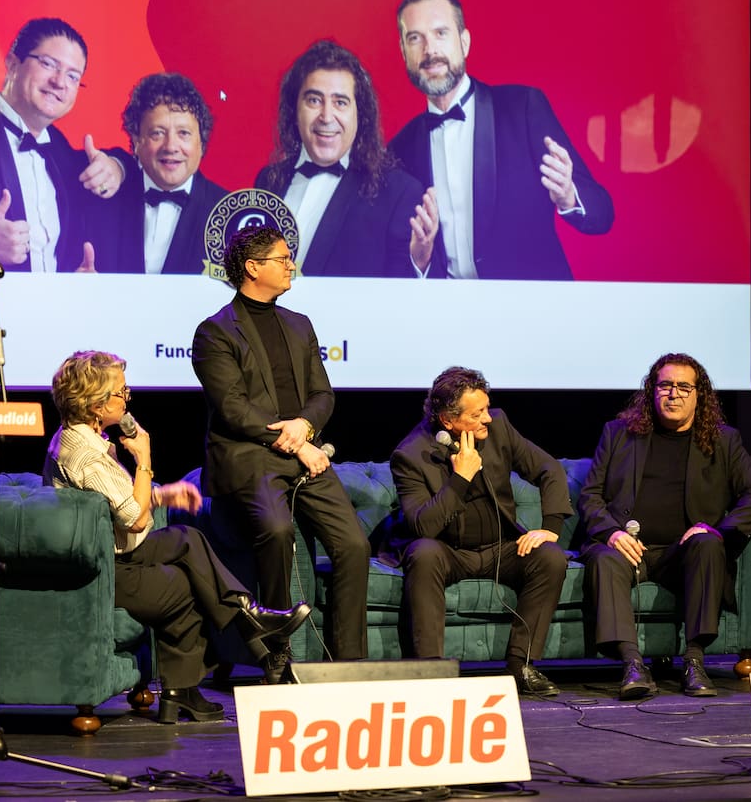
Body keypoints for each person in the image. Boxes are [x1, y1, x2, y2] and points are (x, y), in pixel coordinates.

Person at [42, 350, 311, 722]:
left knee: (188, 538)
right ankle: (193, 678)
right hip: (105, 570)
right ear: (95, 404)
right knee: (188, 584)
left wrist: (162, 494)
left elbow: (111, 504)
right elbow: (134, 520)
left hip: (115, 551)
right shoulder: (86, 455)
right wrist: (144, 461)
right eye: (122, 393)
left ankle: (244, 626)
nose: (127, 399)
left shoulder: (81, 438)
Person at [191, 225, 370, 683]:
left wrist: (306, 426)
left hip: (303, 452)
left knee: (354, 544)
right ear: (253, 268)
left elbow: (322, 394)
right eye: (282, 257)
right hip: (251, 456)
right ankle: (276, 648)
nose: (292, 264)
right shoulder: (214, 332)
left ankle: (350, 661)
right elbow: (233, 410)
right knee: (275, 528)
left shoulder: (299, 324)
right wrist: (296, 439)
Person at [577, 353, 751, 700]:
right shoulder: (619, 434)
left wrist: (718, 531)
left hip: (679, 556)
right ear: (652, 391)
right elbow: (590, 495)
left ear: (700, 394)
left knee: (709, 544)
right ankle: (632, 664)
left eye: (684, 386)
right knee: (604, 557)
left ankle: (694, 662)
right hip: (627, 551)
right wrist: (612, 532)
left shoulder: (723, 440)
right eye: (665, 385)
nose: (674, 394)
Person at [390, 0, 614, 281]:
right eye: (415, 38)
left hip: (534, 313)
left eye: (441, 33)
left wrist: (568, 197)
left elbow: (602, 213)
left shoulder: (523, 108)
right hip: (447, 318)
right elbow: (398, 263)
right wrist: (420, 261)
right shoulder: (399, 150)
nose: (430, 50)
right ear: (404, 52)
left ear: (464, 42)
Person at [383, 366, 571, 697]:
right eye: (477, 414)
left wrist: (550, 529)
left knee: (550, 558)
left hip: (501, 547)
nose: (487, 419)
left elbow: (549, 469)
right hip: (448, 551)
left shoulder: (498, 428)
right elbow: (424, 526)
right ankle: (431, 671)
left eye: (486, 408)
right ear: (447, 420)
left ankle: (521, 665)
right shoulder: (411, 454)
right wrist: (461, 478)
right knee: (422, 554)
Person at [0, 17, 125, 273]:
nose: (60, 82)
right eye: (48, 64)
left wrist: (118, 167)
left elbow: (123, 164)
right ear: (12, 64)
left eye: (73, 76)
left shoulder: (61, 151)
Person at [255, 39, 423, 277]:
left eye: (340, 102)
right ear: (295, 109)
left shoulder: (399, 193)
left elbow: (399, 299)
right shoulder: (267, 181)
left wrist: (419, 262)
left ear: (359, 114)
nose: (326, 116)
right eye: (314, 100)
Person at [93, 72, 226, 274]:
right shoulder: (104, 201)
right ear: (137, 141)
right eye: (157, 133)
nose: (171, 146)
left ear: (201, 143)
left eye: (184, 133)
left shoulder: (230, 214)